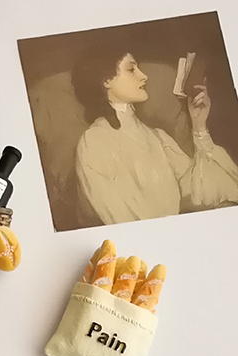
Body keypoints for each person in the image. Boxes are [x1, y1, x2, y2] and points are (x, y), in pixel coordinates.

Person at [73, 47, 238, 224]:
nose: (144, 76)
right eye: (131, 69)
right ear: (107, 81)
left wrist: (199, 126)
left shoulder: (158, 137)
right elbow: (118, 217)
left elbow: (197, 192)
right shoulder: (94, 141)